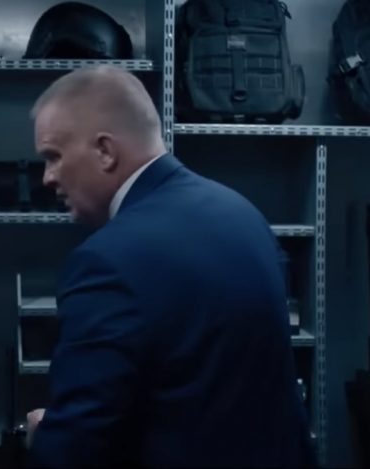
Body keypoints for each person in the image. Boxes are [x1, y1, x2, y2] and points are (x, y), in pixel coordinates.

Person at [22, 65, 317, 467]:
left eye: (53, 157)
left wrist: (46, 435)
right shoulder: (241, 213)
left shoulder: (107, 261)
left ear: (105, 151)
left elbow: (77, 445)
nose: (47, 177)